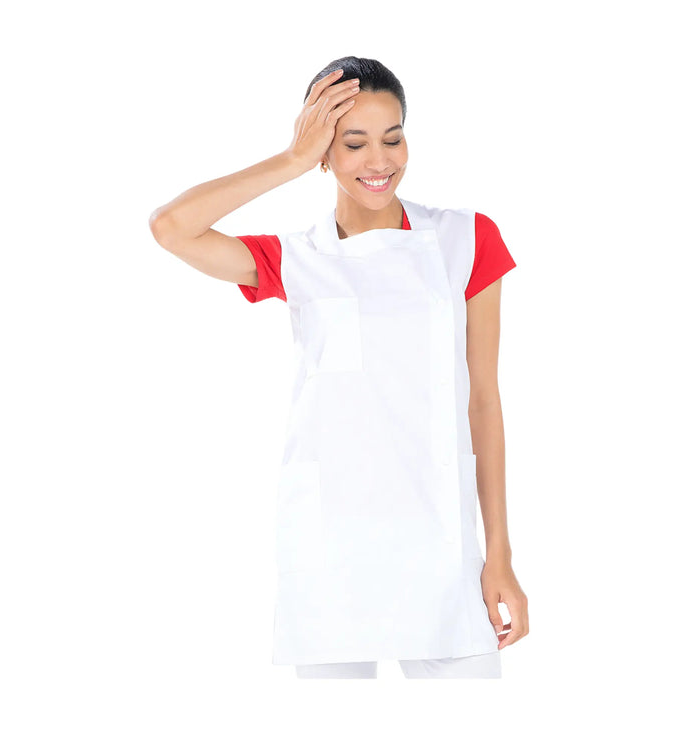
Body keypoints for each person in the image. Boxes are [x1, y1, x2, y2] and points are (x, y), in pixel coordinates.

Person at [149, 56, 529, 679]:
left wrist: (500, 556)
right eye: (352, 143)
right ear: (324, 150)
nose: (379, 160)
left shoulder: (466, 239)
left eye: (393, 138)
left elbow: (483, 401)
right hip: (330, 551)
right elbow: (171, 228)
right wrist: (291, 159)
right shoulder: (297, 259)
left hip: (443, 547)